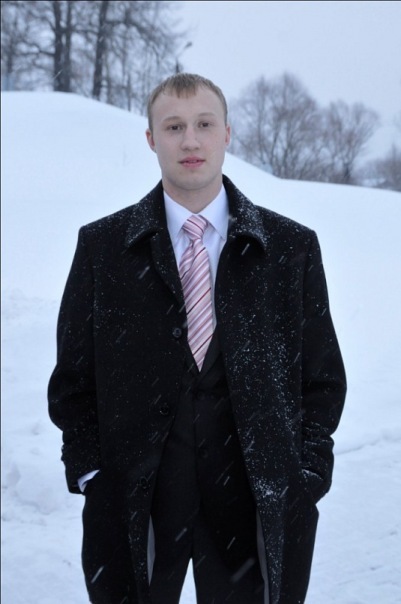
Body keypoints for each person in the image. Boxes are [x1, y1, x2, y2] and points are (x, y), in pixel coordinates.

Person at [48, 73, 346, 604]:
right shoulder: (104, 248)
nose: (191, 140)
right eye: (174, 127)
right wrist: (93, 473)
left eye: (205, 125)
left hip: (256, 498)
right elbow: (74, 380)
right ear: (151, 139)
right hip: (136, 499)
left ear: (227, 133)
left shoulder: (290, 248)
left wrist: (306, 473)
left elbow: (321, 379)